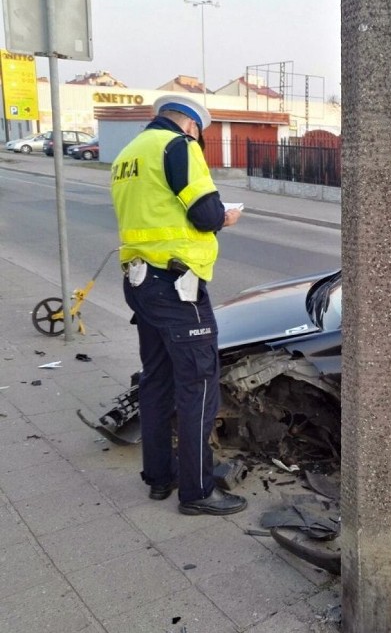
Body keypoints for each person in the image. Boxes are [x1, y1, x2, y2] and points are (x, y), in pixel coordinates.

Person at [111, 95, 246, 515]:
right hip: (175, 285)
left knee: (157, 379)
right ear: (191, 125)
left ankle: (159, 478)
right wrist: (225, 216)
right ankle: (198, 491)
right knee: (200, 383)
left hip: (139, 280)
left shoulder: (128, 154)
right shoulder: (178, 147)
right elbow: (205, 214)